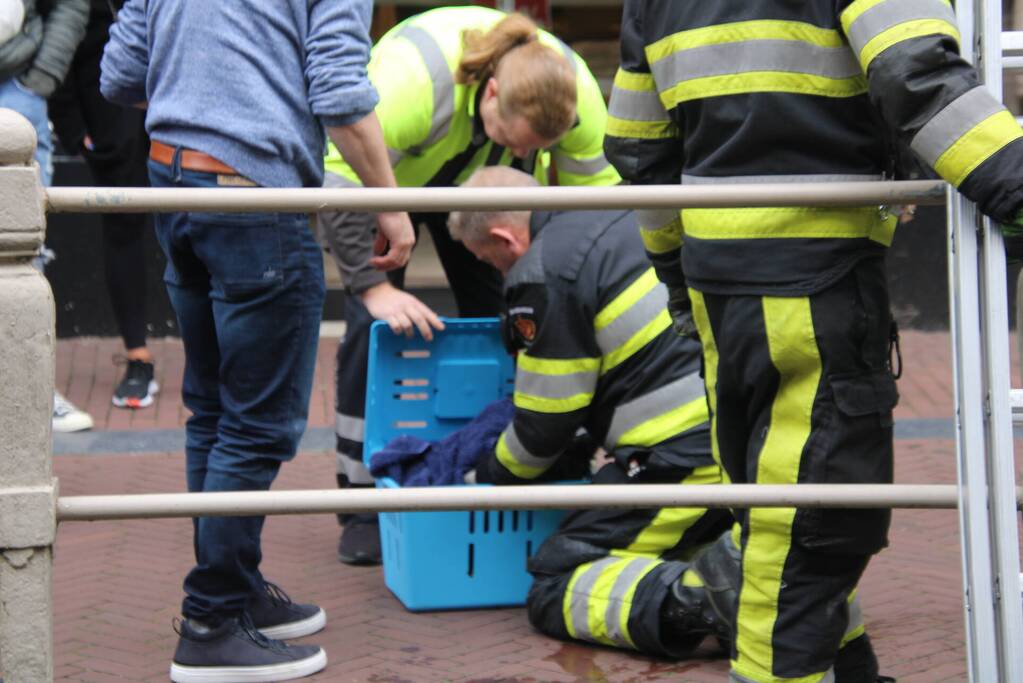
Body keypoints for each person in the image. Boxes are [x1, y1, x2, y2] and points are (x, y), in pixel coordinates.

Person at [604, 2, 1023, 681]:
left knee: (775, 499)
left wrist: (675, 272)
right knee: (812, 517)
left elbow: (635, 143)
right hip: (815, 275)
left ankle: (847, 667)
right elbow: (914, 72)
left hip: (715, 280)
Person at [449, 167, 878, 667]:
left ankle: (709, 594)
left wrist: (485, 478)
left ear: (505, 237)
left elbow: (544, 424)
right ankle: (767, 583)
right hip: (751, 442)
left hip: (683, 460)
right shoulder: (622, 214)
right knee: (685, 543)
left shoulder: (541, 271)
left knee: (557, 579)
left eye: (490, 261)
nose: (498, 272)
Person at [100, 2, 415, 681]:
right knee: (257, 425)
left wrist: (204, 88)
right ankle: (212, 620)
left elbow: (120, 73)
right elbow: (337, 89)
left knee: (213, 411)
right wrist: (389, 204)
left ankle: (233, 590)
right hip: (252, 194)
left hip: (172, 181)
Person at [318, 5, 621, 566]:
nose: (527, 157)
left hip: (479, 190)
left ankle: (499, 461)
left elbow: (593, 214)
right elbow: (339, 175)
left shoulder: (576, 94)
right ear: (491, 94)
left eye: (537, 149)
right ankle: (363, 502)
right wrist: (371, 288)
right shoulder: (411, 83)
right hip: (382, 181)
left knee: (511, 317)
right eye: (519, 141)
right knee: (372, 329)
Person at [49, 0, 158, 410]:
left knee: (198, 223)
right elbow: (62, 28)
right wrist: (76, 130)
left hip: (183, 109)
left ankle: (214, 354)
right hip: (113, 118)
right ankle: (137, 356)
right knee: (123, 229)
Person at [0, 0, 91, 432]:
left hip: (17, 90)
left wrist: (39, 80)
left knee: (24, 251)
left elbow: (71, 5)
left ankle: (30, 393)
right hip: (22, 86)